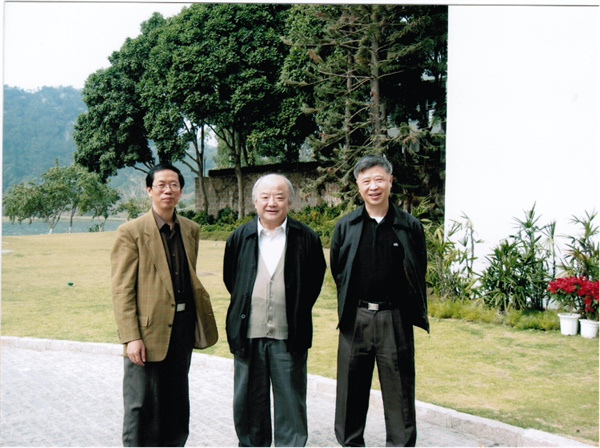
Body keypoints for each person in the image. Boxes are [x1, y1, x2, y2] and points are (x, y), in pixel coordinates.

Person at [111, 163, 218, 447]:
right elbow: (122, 290)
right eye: (161, 185)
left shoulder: (191, 230)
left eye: (174, 185)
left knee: (176, 402)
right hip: (146, 334)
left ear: (181, 191)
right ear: (149, 190)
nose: (167, 190)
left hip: (182, 329)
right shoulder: (131, 232)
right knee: (141, 404)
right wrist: (131, 337)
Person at [330, 155, 429, 447]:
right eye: (366, 181)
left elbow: (418, 268)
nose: (373, 186)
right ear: (358, 186)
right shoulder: (346, 225)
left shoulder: (409, 226)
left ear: (390, 181)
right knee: (350, 392)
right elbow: (338, 270)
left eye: (379, 180)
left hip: (395, 318)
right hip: (356, 318)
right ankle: (350, 443)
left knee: (400, 394)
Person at [223, 173, 326, 447]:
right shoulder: (239, 237)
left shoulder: (307, 238)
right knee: (249, 404)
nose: (272, 203)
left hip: (289, 335)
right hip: (248, 334)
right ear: (254, 201)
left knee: (291, 403)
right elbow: (232, 281)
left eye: (279, 197)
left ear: (289, 202)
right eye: (265, 197)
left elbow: (313, 282)